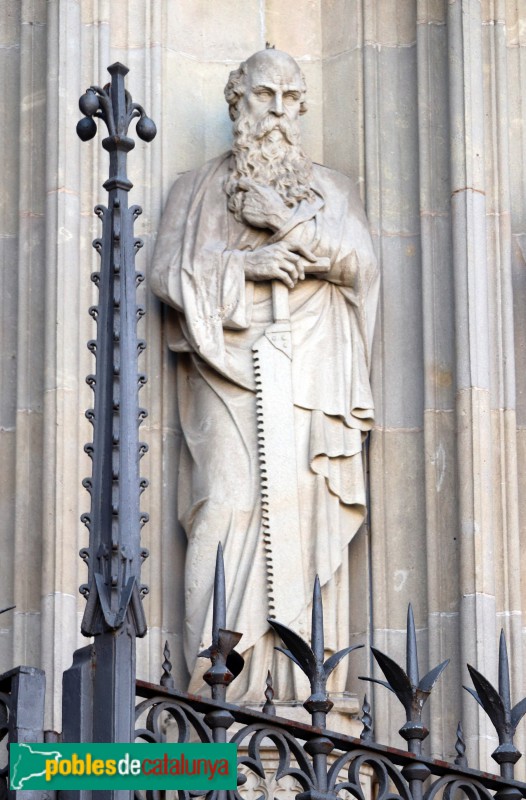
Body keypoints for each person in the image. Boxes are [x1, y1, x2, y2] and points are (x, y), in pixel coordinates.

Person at [150, 48, 379, 701]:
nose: (277, 112)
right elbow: (168, 272)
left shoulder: (333, 190)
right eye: (263, 96)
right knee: (223, 507)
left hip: (310, 376)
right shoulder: (194, 190)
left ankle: (303, 688)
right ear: (236, 102)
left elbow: (360, 264)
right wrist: (248, 266)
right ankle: (214, 691)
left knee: (305, 517)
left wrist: (288, 231)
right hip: (227, 372)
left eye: (289, 98)